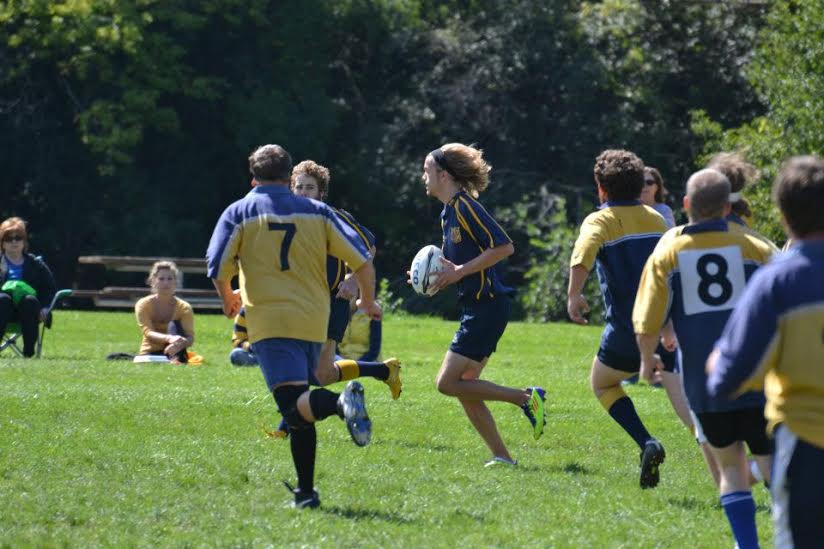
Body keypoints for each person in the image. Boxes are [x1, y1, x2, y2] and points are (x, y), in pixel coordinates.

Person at [207, 144, 382, 509]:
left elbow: (217, 263)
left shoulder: (240, 211)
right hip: (314, 318)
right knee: (299, 409)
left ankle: (340, 403)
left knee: (291, 404)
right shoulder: (319, 212)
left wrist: (227, 297)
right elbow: (363, 259)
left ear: (252, 178)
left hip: (271, 319)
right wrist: (366, 300)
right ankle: (306, 493)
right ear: (289, 179)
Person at [634, 168, 774, 548]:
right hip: (760, 379)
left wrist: (647, 361)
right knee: (774, 465)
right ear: (728, 207)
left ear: (684, 205)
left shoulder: (669, 250)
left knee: (730, 467)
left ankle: (747, 545)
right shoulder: (755, 246)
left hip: (705, 384)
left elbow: (646, 319)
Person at [707, 155, 824, 548]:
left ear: (785, 215)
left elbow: (727, 378)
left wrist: (715, 361)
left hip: (808, 444)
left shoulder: (779, 280)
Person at [421, 143, 546, 468]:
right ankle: (502, 457)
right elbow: (458, 261)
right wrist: (431, 275)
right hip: (478, 306)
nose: (424, 176)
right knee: (466, 388)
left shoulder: (465, 206)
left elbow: (504, 247)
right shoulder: (448, 212)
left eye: (427, 170)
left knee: (447, 384)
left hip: (487, 307)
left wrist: (460, 272)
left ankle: (525, 398)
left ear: (443, 174)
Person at [567, 149, 683, 489]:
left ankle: (647, 441)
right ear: (638, 187)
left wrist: (574, 296)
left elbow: (581, 257)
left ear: (601, 189)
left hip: (625, 332)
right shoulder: (657, 220)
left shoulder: (599, 220)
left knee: (602, 384)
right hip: (666, 327)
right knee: (687, 405)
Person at [291, 159, 401, 399]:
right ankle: (384, 370)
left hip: (334, 301)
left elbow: (369, 247)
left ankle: (289, 423)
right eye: (299, 187)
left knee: (314, 371)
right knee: (320, 373)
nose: (303, 192)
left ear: (321, 192)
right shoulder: (289, 221)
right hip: (303, 300)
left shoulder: (335, 217)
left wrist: (352, 280)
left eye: (309, 187)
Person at [0, 217, 57, 357]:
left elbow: (50, 290)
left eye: (18, 238)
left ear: (24, 241)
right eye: (9, 238)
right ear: (2, 243)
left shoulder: (36, 264)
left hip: (29, 312)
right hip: (2, 308)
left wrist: (45, 308)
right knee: (3, 299)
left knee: (30, 300)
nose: (14, 242)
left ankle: (28, 353)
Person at [134, 261, 194, 363]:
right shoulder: (143, 304)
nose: (166, 283)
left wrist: (180, 343)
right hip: (150, 352)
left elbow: (190, 337)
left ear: (175, 282)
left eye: (170, 279)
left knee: (174, 324)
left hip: (175, 350)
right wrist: (169, 338)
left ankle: (176, 359)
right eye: (161, 279)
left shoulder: (184, 307)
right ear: (153, 281)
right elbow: (148, 332)